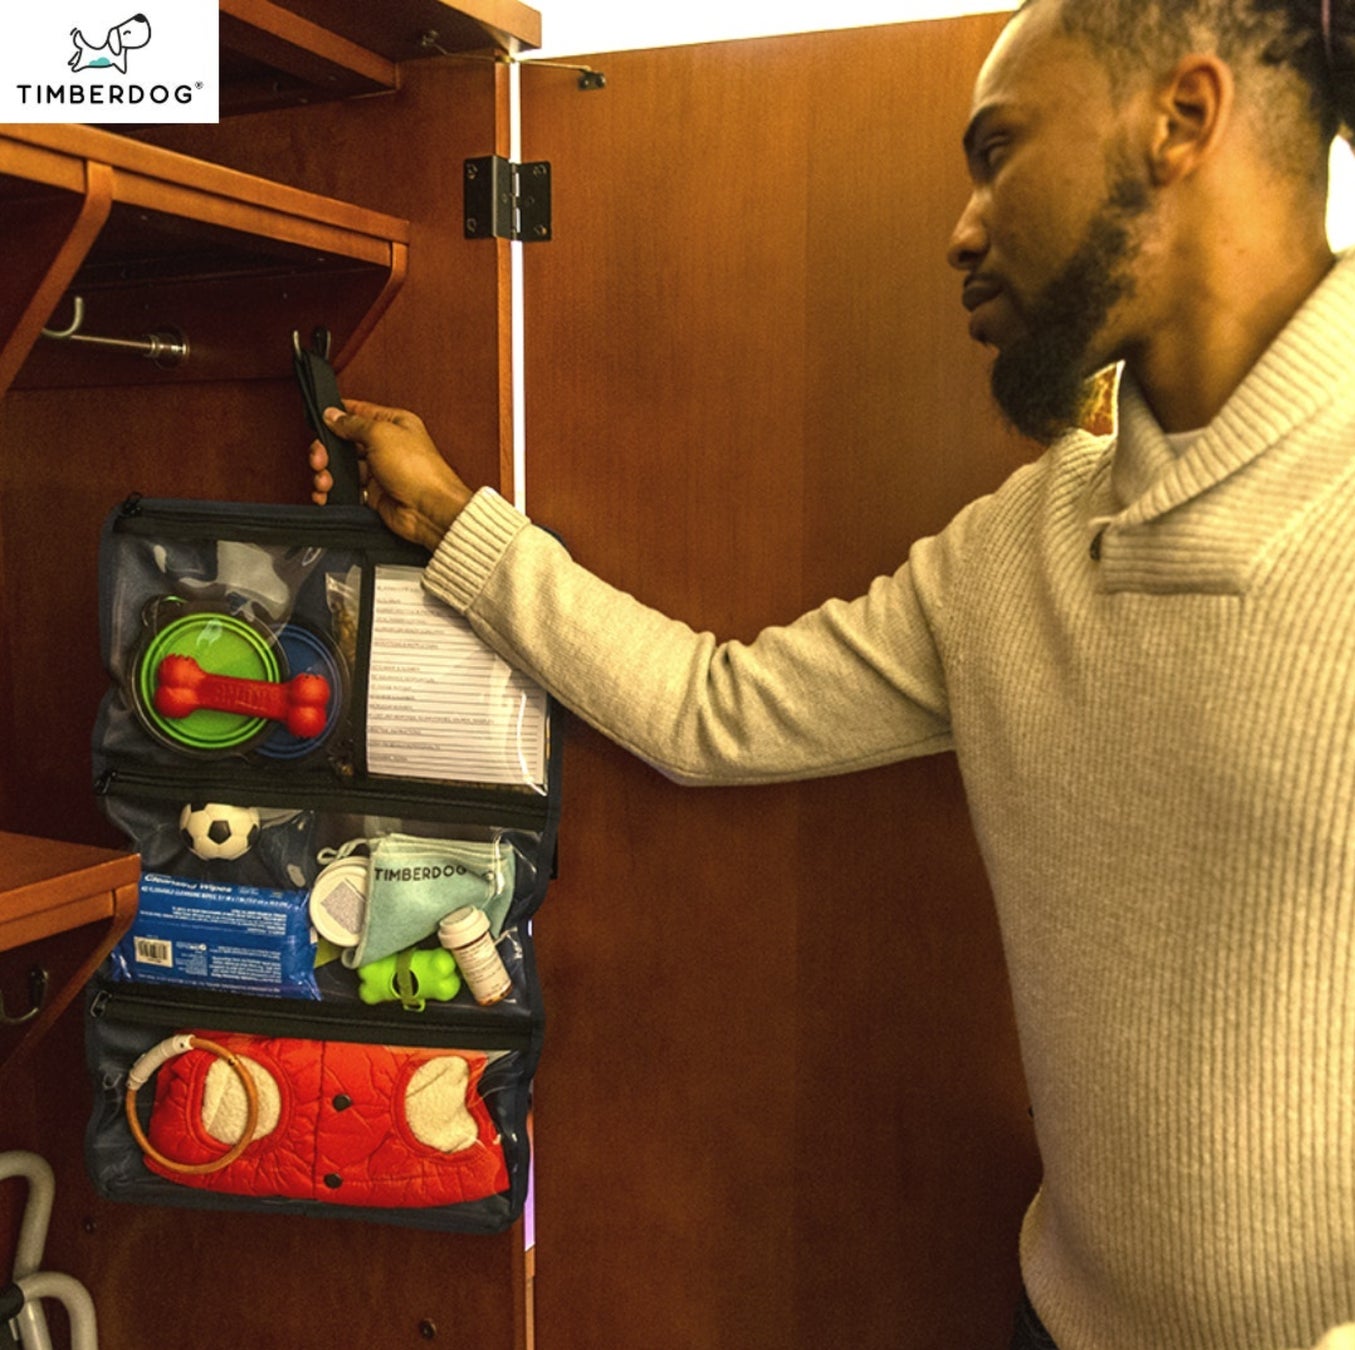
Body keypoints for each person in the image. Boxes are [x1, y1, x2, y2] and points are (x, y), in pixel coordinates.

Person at [310, 0, 1355, 1345]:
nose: (962, 231)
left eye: (999, 151)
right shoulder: (1018, 553)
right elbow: (712, 711)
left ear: (1183, 119)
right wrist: (458, 520)